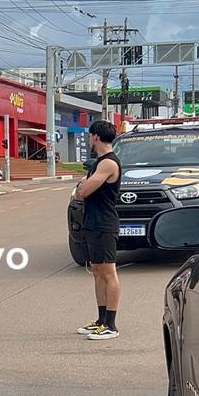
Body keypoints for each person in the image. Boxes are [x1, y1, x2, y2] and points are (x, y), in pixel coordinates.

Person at [74, 120, 122, 340]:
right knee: (97, 271)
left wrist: (82, 186)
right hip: (93, 223)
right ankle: (101, 320)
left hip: (104, 224)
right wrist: (82, 186)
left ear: (96, 137)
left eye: (89, 135)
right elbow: (83, 188)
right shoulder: (99, 163)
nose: (88, 139)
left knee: (108, 272)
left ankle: (111, 325)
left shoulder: (108, 163)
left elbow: (83, 191)